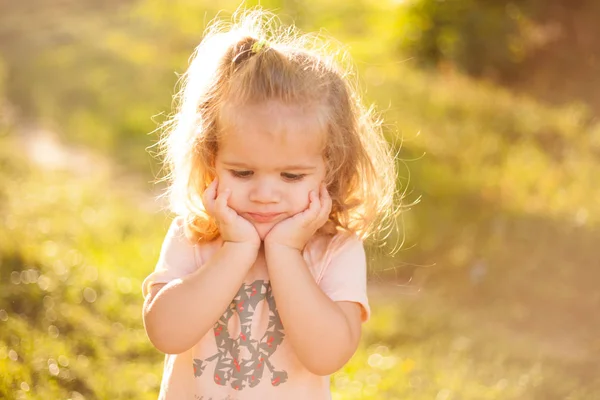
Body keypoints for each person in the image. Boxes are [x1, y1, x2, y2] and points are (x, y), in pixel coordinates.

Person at [142, 7, 398, 400]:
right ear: (211, 159)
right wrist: (236, 250)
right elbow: (166, 333)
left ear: (330, 168)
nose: (264, 193)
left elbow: (327, 355)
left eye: (291, 176)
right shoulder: (195, 233)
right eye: (242, 173)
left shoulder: (335, 250)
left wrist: (284, 252)